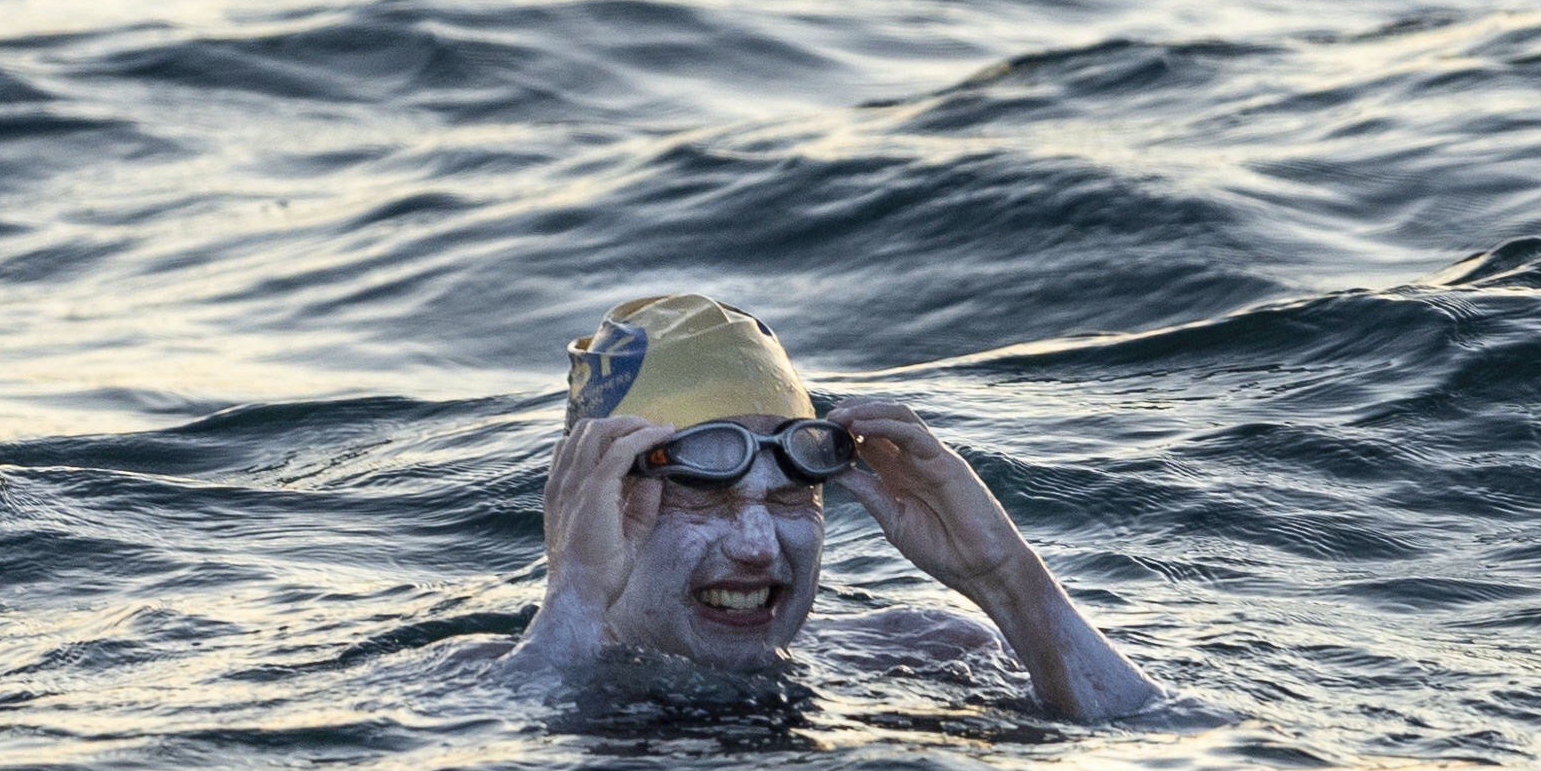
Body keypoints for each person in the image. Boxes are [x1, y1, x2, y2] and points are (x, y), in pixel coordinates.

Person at [492, 294, 1161, 722]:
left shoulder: (921, 655)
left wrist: (1008, 582)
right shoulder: (483, 685)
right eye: (705, 495)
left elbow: (1155, 746)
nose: (758, 546)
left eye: (790, 496)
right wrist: (573, 597)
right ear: (594, 501)